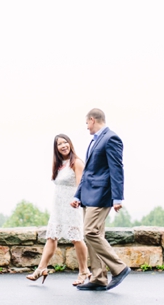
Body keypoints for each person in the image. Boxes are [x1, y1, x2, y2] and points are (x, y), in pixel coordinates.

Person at [71, 108, 131, 291]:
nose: (86, 127)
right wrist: (77, 195)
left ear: (92, 120)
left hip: (101, 195)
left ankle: (119, 268)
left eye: (87, 123)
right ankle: (99, 278)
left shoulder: (111, 138)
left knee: (90, 232)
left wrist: (118, 197)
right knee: (94, 236)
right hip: (88, 196)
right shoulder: (95, 141)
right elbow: (88, 172)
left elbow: (117, 168)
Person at [26, 134, 91, 286]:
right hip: (58, 206)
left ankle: (84, 271)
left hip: (72, 205)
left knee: (76, 238)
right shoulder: (59, 163)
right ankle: (41, 269)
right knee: (51, 236)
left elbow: (81, 185)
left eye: (65, 142)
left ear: (70, 143)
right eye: (59, 144)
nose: (63, 145)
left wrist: (77, 200)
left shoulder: (77, 162)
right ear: (56, 148)